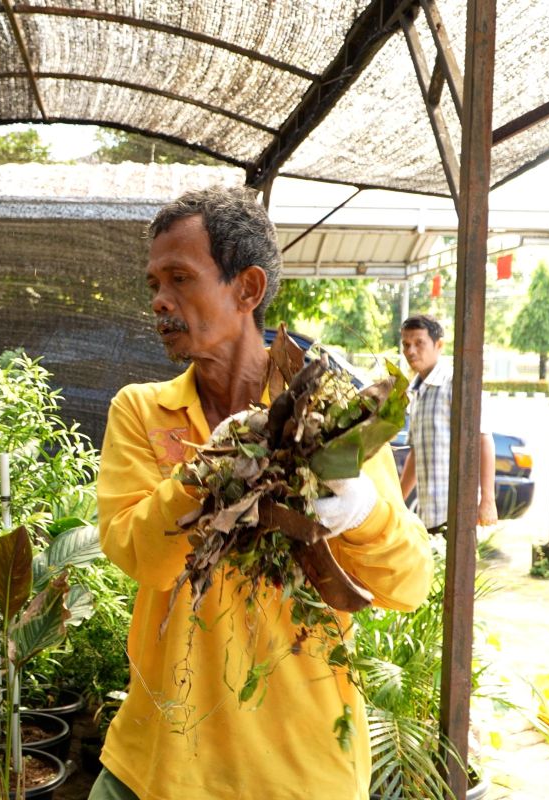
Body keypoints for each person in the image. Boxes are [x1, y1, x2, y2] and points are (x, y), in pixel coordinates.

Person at [93, 187, 432, 800]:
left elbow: (408, 586)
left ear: (247, 289)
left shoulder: (335, 419)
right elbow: (139, 554)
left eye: (179, 278)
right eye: (153, 285)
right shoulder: (142, 412)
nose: (160, 302)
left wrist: (364, 510)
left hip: (300, 771)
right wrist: (207, 469)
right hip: (157, 764)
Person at [399, 315, 498, 533]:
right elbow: (417, 455)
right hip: (428, 516)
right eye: (406, 345)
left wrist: (488, 500)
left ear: (439, 345)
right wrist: (396, 502)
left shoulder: (455, 383)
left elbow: (483, 438)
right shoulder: (415, 392)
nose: (411, 351)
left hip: (459, 516)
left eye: (419, 343)